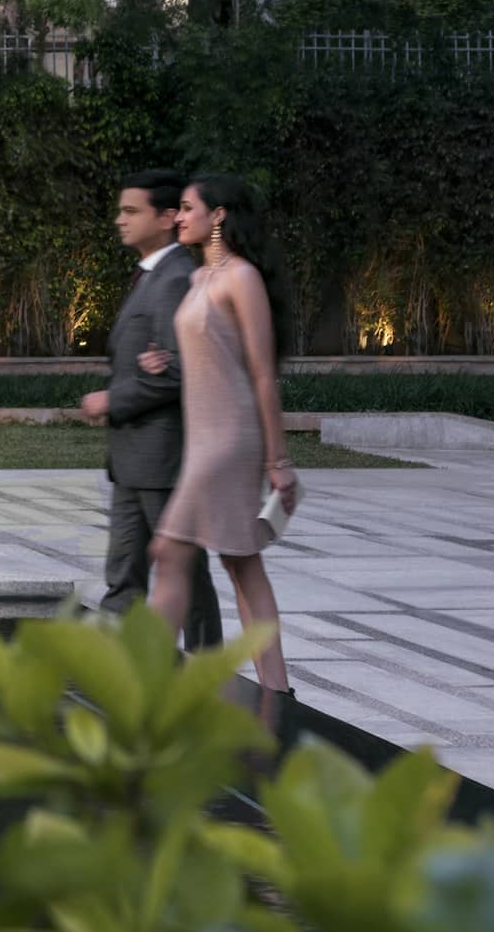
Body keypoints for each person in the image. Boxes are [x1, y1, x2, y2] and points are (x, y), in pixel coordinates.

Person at [144, 172, 298, 693]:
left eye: (188, 208)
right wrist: (163, 362)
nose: (179, 217)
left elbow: (259, 372)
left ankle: (144, 685)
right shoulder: (198, 280)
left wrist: (278, 462)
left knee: (171, 549)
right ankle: (278, 691)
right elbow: (213, 359)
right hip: (203, 440)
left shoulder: (241, 278)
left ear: (219, 215)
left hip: (231, 441)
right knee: (240, 564)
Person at [81, 170, 222, 650]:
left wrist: (111, 399)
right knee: (123, 575)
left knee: (185, 574)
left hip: (162, 457)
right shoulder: (151, 276)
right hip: (131, 458)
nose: (120, 220)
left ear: (165, 218)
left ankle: (207, 670)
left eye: (131, 211)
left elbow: (182, 370)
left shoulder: (175, 279)